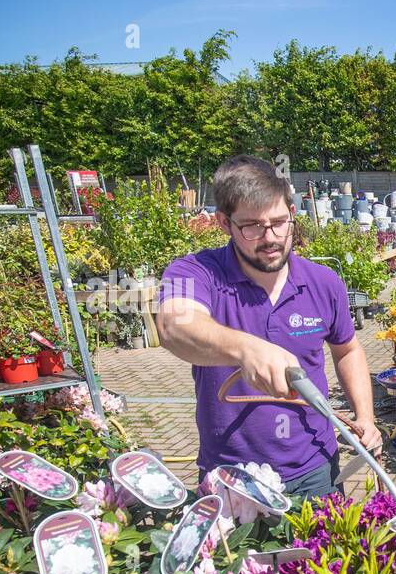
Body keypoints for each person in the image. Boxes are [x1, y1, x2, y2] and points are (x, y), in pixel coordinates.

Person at [157, 156, 382, 501]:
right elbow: (174, 325)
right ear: (223, 222)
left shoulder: (324, 282)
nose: (270, 237)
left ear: (293, 213)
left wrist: (365, 417)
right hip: (232, 475)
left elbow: (348, 349)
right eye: (252, 226)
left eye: (279, 222)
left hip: (315, 466)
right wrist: (246, 349)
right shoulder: (192, 272)